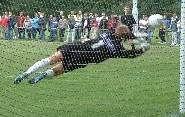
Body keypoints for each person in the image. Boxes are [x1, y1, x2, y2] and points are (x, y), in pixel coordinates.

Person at [13, 24, 150, 84]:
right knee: (58, 69)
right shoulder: (117, 50)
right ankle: (44, 75)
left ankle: (26, 73)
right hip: (84, 58)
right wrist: (142, 48)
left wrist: (134, 37)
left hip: (79, 46)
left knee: (52, 58)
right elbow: (131, 54)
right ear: (124, 37)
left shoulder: (108, 33)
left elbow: (122, 32)